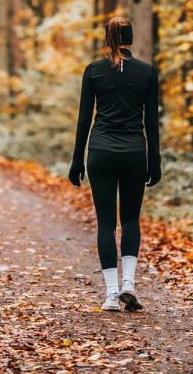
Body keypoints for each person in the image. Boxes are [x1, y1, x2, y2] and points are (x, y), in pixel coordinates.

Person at [69, 16, 161, 312]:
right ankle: (129, 283)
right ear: (130, 38)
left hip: (100, 152)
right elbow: (151, 121)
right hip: (134, 151)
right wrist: (154, 159)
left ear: (106, 38)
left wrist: (76, 160)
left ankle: (111, 294)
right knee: (131, 219)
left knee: (106, 223)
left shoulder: (94, 71)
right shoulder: (147, 72)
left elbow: (84, 119)